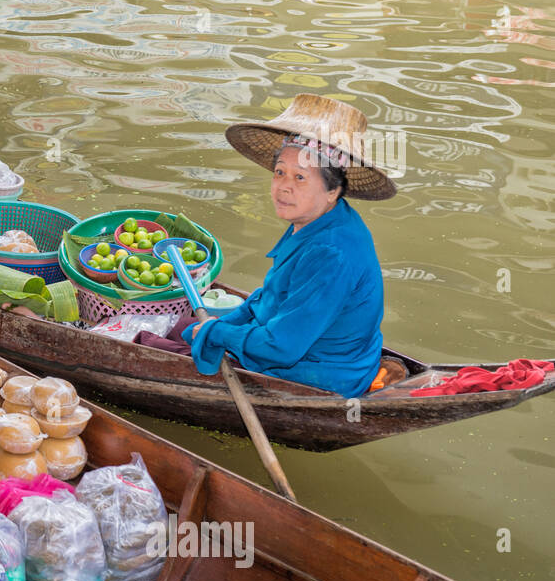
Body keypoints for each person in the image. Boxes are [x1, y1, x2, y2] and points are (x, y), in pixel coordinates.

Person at [145, 94, 397, 398]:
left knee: (147, 344)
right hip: (302, 346)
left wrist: (217, 332)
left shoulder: (331, 253)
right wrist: (225, 323)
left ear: (333, 191)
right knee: (181, 329)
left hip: (320, 375)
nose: (283, 186)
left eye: (300, 177)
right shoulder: (320, 218)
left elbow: (282, 348)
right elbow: (272, 295)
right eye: (280, 172)